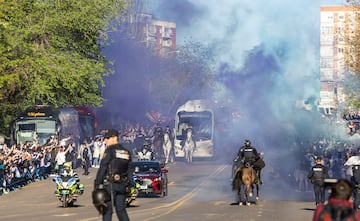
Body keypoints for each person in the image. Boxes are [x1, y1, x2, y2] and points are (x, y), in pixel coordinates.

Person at [93, 129, 132, 221]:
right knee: (121, 211)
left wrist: (97, 184)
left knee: (107, 211)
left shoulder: (109, 151)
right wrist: (130, 184)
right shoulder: (126, 152)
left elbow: (103, 167)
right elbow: (130, 170)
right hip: (122, 185)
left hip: (110, 185)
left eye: (108, 138)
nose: (105, 140)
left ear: (115, 138)